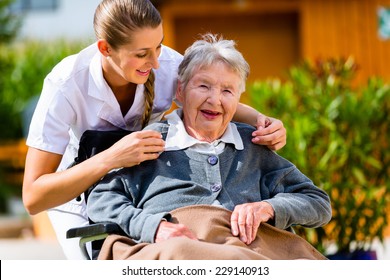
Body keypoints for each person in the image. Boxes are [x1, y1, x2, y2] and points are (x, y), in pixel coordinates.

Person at [22, 0, 286, 260]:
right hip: (79, 195)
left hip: (140, 192)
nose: (156, 63)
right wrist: (112, 157)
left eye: (158, 47)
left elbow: (214, 97)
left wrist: (263, 121)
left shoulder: (169, 65)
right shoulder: (66, 84)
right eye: (141, 54)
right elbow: (33, 197)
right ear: (105, 49)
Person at [87, 33, 332, 260]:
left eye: (227, 90)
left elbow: (318, 203)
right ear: (181, 91)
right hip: (178, 254)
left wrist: (269, 207)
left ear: (237, 100)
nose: (214, 100)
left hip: (251, 254)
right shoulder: (151, 142)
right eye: (203, 86)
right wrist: (153, 227)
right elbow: (101, 199)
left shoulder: (253, 145)